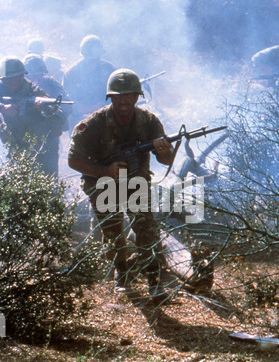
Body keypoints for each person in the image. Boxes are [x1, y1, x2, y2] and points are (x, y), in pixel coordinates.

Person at [68, 68, 174, 304]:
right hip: (103, 183)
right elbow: (73, 160)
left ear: (137, 96)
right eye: (118, 96)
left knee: (147, 230)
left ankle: (155, 283)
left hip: (136, 182)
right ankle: (122, 272)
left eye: (129, 95)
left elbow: (166, 159)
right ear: (111, 97)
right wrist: (105, 171)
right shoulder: (92, 124)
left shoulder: (149, 121)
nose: (124, 100)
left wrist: (166, 151)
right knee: (114, 232)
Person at [0, 56, 67, 176]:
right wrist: (3, 108)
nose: (12, 83)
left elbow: (61, 118)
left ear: (22, 76)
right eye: (8, 80)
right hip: (17, 146)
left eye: (16, 78)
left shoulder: (36, 92)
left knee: (48, 189)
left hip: (44, 149)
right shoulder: (2, 88)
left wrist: (45, 109)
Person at [63, 34, 115, 129]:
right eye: (90, 60)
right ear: (83, 55)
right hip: (80, 121)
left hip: (107, 119)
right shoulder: (72, 73)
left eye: (96, 59)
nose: (93, 63)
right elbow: (68, 101)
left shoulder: (109, 69)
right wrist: (90, 108)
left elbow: (116, 93)